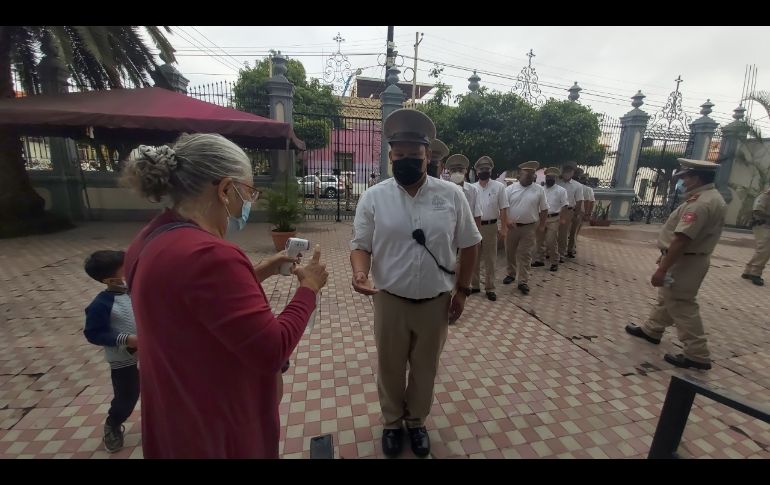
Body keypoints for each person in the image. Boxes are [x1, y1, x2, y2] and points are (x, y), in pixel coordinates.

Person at [122, 133, 329, 458]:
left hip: (174, 415)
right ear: (224, 189)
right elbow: (271, 349)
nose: (248, 202)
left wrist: (260, 270)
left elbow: (194, 303)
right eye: (247, 192)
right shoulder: (210, 255)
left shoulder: (149, 238)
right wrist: (309, 289)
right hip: (217, 427)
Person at [350, 109, 481, 458]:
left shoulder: (452, 196)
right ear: (391, 156)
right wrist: (360, 274)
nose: (407, 161)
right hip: (389, 300)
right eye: (400, 156)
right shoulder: (374, 197)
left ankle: (416, 422)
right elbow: (360, 246)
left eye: (414, 156)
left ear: (428, 156)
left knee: (425, 370)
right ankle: (392, 423)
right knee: (390, 368)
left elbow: (470, 244)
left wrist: (463, 292)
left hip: (436, 302)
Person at [626, 158, 726, 370]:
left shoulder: (701, 203)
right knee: (667, 298)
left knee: (681, 304)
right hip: (687, 258)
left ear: (696, 178)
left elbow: (682, 239)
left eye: (685, 177)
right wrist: (666, 256)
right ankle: (652, 330)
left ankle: (697, 353)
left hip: (686, 261)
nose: (683, 182)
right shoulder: (710, 197)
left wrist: (662, 269)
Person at [83, 250, 139, 453]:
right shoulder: (101, 304)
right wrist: (126, 339)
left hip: (152, 353)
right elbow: (93, 333)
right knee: (127, 395)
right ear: (111, 279)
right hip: (123, 358)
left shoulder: (136, 291)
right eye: (126, 269)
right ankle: (113, 423)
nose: (132, 270)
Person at [502, 161, 548, 295]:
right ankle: (511, 273)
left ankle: (523, 281)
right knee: (510, 251)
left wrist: (542, 225)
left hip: (529, 227)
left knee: (526, 254)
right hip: (512, 227)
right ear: (519, 175)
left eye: (531, 176)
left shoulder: (539, 190)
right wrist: (506, 222)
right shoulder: (510, 189)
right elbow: (503, 208)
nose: (529, 178)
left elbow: (544, 209)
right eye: (526, 175)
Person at [472, 156, 509, 301]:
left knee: (490, 258)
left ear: (491, 170)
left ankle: (490, 287)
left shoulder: (499, 187)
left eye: (487, 169)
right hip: (474, 226)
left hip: (490, 226)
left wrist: (504, 228)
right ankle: (474, 285)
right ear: (477, 171)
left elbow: (504, 209)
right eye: (482, 169)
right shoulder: (472, 188)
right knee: (474, 256)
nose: (484, 171)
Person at [533, 167, 569, 272]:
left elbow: (565, 205)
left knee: (551, 241)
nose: (549, 179)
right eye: (548, 177)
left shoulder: (561, 191)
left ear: (555, 178)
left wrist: (562, 219)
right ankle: (540, 259)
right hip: (540, 218)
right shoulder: (540, 189)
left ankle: (554, 261)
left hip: (553, 218)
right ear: (545, 177)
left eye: (552, 177)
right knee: (539, 240)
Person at [743, 187, 770, 286]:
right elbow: (757, 211)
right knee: (764, 250)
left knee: (762, 249)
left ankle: (748, 270)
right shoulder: (765, 196)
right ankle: (755, 274)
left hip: (767, 226)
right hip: (761, 225)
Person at [557, 164, 585, 260]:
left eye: (569, 172)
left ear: (573, 173)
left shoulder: (577, 186)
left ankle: (565, 251)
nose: (567, 174)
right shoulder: (558, 183)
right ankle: (557, 251)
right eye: (565, 172)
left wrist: (576, 213)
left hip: (569, 210)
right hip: (558, 210)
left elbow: (579, 200)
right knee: (558, 232)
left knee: (567, 233)